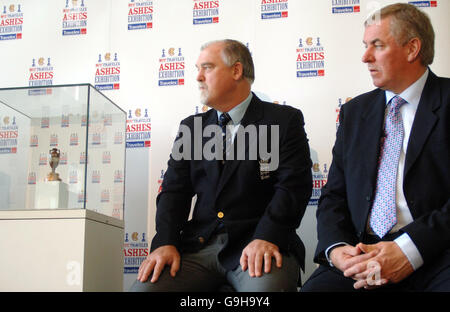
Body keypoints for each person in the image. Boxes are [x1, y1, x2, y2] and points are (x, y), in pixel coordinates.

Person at [130, 39, 312, 292]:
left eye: (207, 67)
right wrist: (165, 242)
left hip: (258, 244)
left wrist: (267, 237)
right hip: (198, 247)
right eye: (198, 68)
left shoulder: (283, 120)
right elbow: (174, 192)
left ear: (236, 71)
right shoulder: (192, 128)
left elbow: (293, 187)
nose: (198, 77)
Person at [301, 3, 449, 292]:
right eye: (365, 45)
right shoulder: (355, 112)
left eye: (377, 45)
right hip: (362, 251)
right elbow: (334, 195)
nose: (365, 56)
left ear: (412, 48)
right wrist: (337, 249)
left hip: (437, 251)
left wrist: (410, 249)